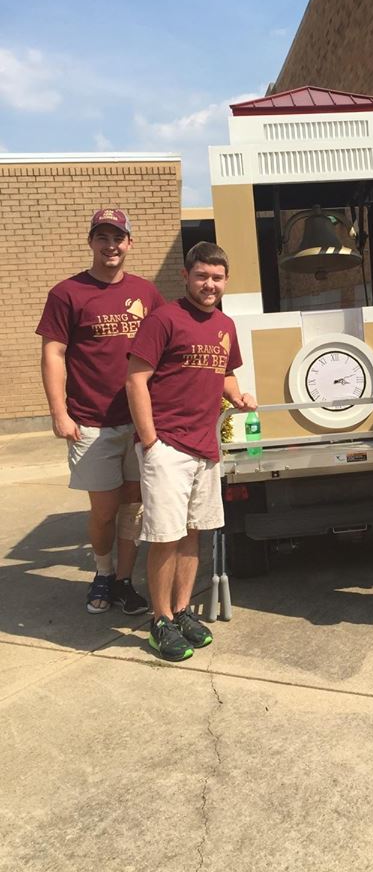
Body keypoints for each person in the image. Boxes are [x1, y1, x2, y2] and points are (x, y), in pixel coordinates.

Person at [126, 241, 256, 662]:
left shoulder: (225, 325)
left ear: (226, 280)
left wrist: (237, 396)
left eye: (217, 278)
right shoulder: (164, 319)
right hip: (168, 446)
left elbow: (225, 373)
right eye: (202, 276)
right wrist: (150, 441)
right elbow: (135, 379)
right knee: (165, 537)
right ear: (186, 276)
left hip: (205, 448)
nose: (209, 284)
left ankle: (181, 611)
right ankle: (160, 620)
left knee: (193, 533)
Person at [36, 208, 164, 615]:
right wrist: (59, 412)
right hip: (91, 422)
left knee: (133, 505)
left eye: (118, 238)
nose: (111, 246)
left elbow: (166, 348)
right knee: (105, 511)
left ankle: (124, 581)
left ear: (129, 243)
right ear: (91, 242)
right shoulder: (67, 293)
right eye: (103, 237)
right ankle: (103, 572)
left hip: (140, 422)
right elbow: (53, 353)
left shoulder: (146, 293)